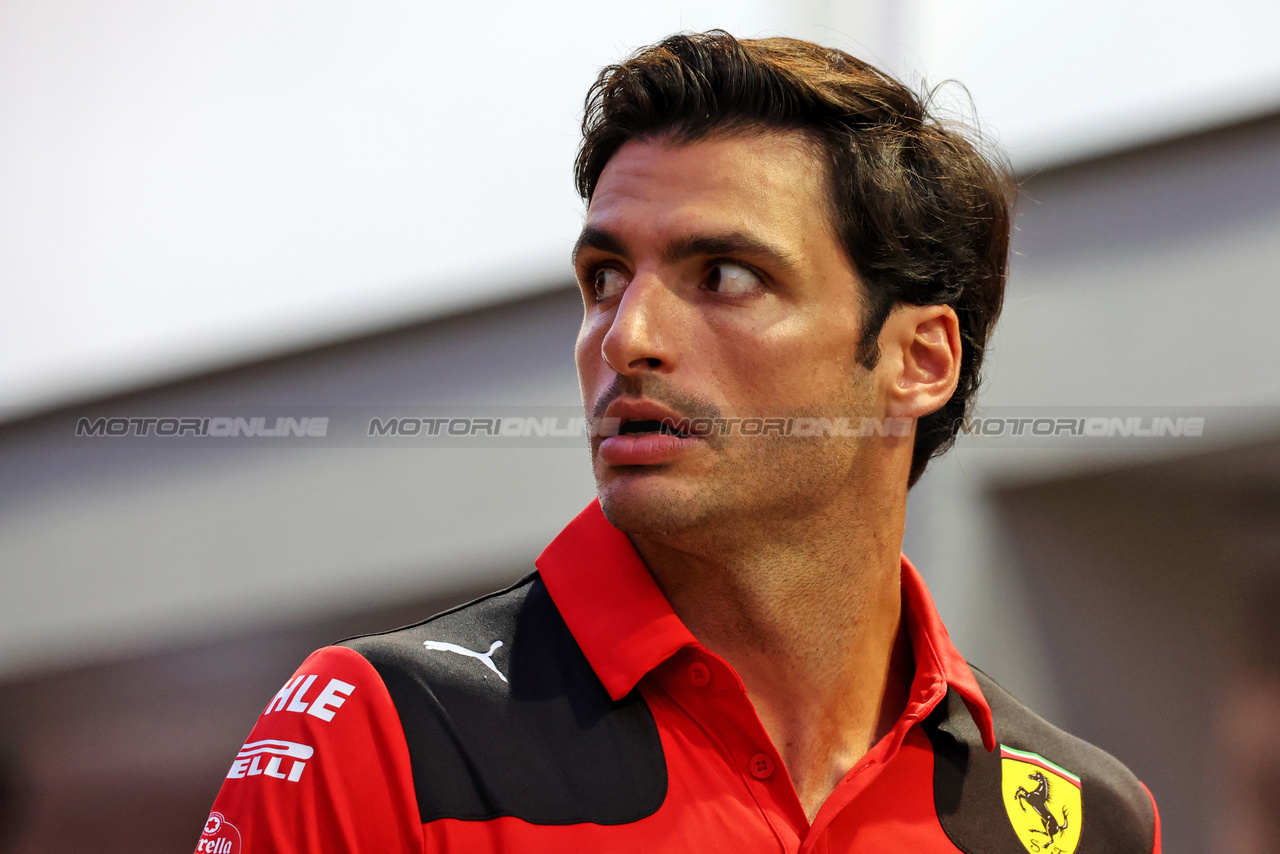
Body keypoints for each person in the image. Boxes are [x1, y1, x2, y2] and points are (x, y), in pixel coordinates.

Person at [196, 31, 1160, 854]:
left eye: (727, 276)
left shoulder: (1089, 818)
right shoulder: (380, 731)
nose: (627, 337)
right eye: (606, 277)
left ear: (918, 358)